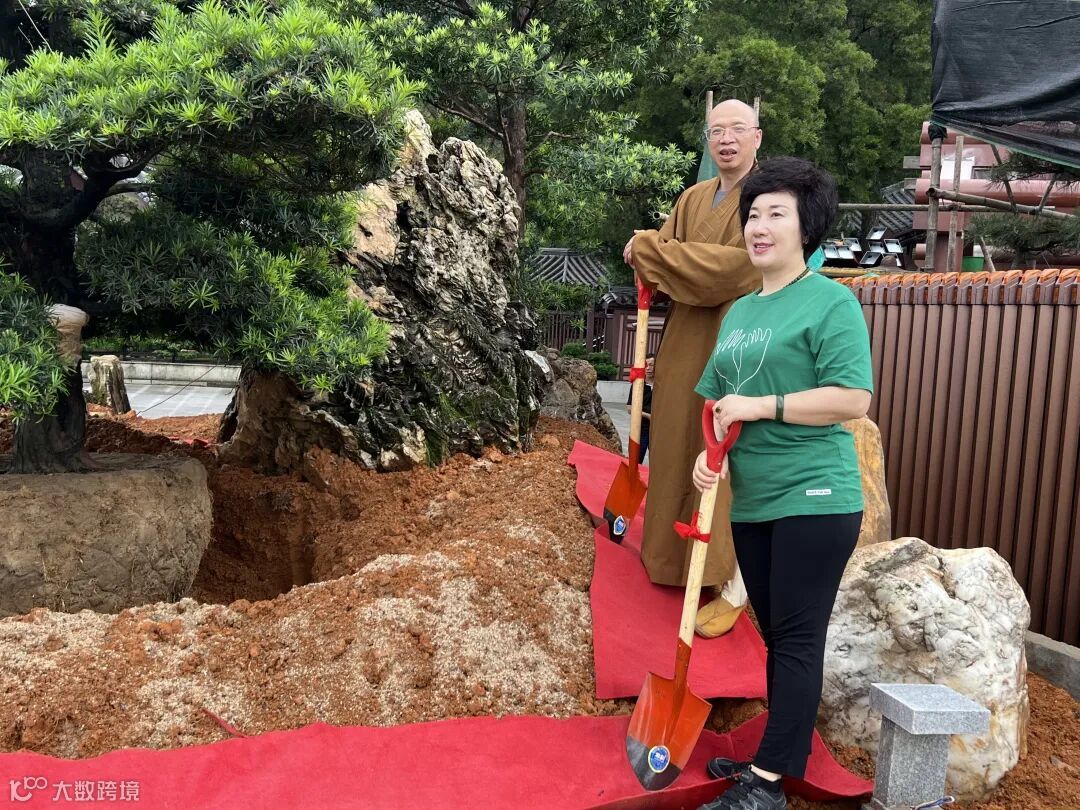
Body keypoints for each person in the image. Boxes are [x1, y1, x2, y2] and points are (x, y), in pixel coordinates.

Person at [691, 157, 873, 810]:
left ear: (807, 227)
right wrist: (709, 455)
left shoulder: (831, 302)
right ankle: (774, 759)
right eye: (753, 214)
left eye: (776, 213)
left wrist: (762, 407)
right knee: (778, 640)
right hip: (756, 499)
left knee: (796, 641)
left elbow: (852, 398)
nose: (759, 226)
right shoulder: (740, 311)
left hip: (815, 497)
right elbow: (718, 399)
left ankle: (767, 784)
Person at [624, 99, 761, 637]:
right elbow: (662, 259)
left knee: (720, 448)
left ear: (756, 137)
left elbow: (736, 268)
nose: (726, 139)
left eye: (737, 129)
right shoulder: (692, 197)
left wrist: (654, 252)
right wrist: (652, 258)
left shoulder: (765, 198)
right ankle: (666, 556)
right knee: (676, 433)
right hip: (683, 336)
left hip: (735, 332)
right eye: (716, 130)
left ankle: (720, 572)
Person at [624, 354, 655, 463]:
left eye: (651, 365)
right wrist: (648, 416)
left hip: (657, 430)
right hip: (641, 429)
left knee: (657, 462)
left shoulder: (661, 385)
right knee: (636, 460)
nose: (648, 368)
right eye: (646, 365)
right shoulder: (638, 384)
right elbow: (630, 408)